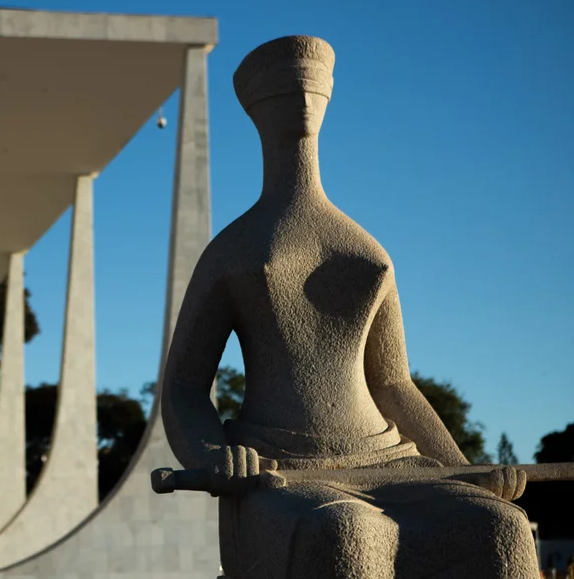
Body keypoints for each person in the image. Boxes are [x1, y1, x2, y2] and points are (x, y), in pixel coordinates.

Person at [161, 35, 539, 579]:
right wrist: (212, 453)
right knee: (347, 535)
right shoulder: (233, 250)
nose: (303, 102)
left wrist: (464, 469)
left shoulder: (366, 248)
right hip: (284, 466)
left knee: (497, 528)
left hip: (392, 461)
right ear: (256, 111)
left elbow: (393, 383)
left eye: (311, 92)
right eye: (287, 91)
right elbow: (183, 385)